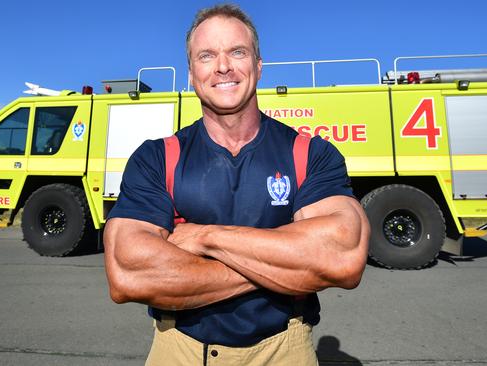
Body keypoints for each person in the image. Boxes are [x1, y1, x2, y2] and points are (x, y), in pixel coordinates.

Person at [104, 4, 369, 365]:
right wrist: (289, 263)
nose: (223, 66)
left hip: (284, 350)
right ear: (192, 74)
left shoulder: (309, 154)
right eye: (207, 55)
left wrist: (203, 237)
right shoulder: (156, 158)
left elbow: (342, 256)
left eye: (237, 52)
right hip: (178, 350)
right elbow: (128, 273)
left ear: (258, 66)